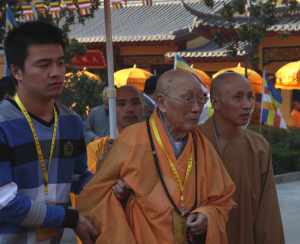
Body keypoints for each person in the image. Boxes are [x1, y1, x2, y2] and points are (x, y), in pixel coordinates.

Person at [78, 69, 236, 244]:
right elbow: (94, 199)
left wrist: (206, 215)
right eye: (188, 99)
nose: (197, 108)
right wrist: (118, 197)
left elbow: (223, 198)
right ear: (161, 102)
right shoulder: (132, 140)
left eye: (201, 100)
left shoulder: (203, 145)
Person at [0, 21, 98, 244]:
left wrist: (113, 184)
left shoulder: (70, 121)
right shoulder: (3, 124)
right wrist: (69, 218)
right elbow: (4, 202)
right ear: (16, 71)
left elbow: (78, 178)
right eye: (44, 65)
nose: (56, 73)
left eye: (60, 63)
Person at [199, 72, 285, 244]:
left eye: (250, 97)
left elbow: (267, 210)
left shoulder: (258, 146)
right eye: (237, 98)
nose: (247, 105)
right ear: (215, 102)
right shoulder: (194, 141)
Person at [87, 85, 144, 173]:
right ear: (111, 109)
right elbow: (91, 183)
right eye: (121, 104)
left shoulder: (156, 145)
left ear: (143, 108)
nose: (129, 109)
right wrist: (104, 162)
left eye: (135, 103)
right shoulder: (97, 148)